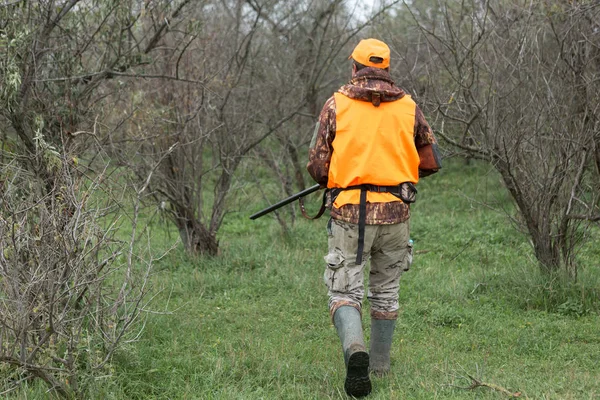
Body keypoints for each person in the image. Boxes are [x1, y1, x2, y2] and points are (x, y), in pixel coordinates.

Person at [306, 38, 441, 397]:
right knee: (386, 292)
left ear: (354, 67)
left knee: (343, 290)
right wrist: (397, 172)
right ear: (386, 69)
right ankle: (379, 367)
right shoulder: (409, 107)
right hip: (396, 215)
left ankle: (355, 349)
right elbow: (430, 162)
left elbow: (318, 166)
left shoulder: (336, 104)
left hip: (350, 213)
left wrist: (338, 177)